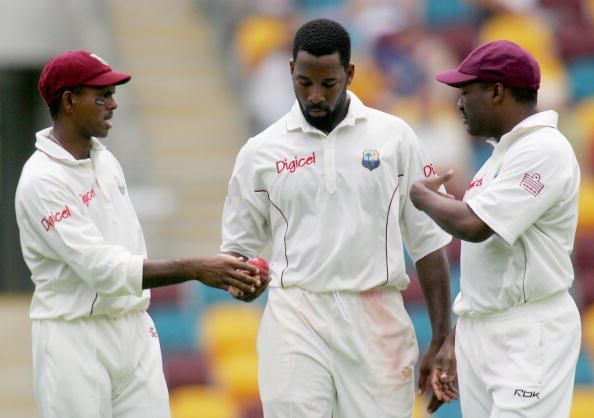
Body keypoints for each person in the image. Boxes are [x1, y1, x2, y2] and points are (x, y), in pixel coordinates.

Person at [221, 19, 452, 417]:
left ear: (349, 73)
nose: (314, 96)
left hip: (376, 317)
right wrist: (242, 279)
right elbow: (238, 251)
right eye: (303, 81)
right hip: (295, 315)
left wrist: (440, 337)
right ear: (290, 69)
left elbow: (429, 243)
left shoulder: (394, 137)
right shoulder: (260, 152)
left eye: (328, 83)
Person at [14, 50, 263, 418]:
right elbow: (105, 270)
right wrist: (197, 269)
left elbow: (129, 250)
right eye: (102, 96)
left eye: (113, 94)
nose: (113, 104)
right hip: (74, 336)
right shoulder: (41, 180)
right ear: (68, 100)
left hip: (133, 329)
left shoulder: (106, 161)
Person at [409, 40, 581, 417]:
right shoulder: (498, 159)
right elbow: (490, 261)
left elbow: (475, 227)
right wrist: (459, 336)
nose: (458, 103)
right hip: (487, 330)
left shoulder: (545, 149)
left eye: (466, 92)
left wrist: (420, 197)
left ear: (497, 92)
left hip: (529, 331)